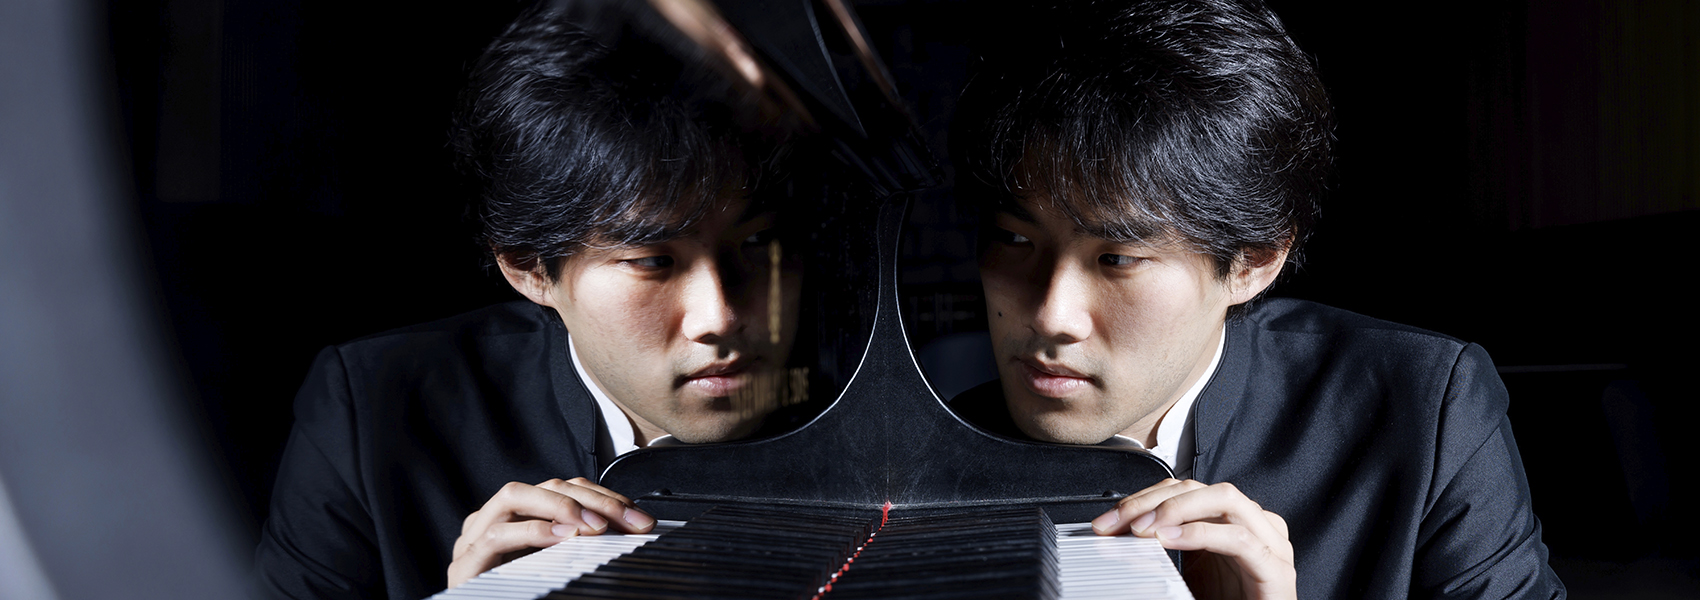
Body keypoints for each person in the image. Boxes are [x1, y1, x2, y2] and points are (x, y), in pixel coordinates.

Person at [948, 1, 1566, 598]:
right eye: (1013, 238)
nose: (1050, 315)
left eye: (1117, 259)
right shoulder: (934, 459)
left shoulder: (1426, 407)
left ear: (1253, 263)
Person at [253, 5, 815, 598]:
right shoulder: (371, 414)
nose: (721, 317)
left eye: (758, 243)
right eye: (653, 261)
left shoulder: (883, 394)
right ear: (528, 269)